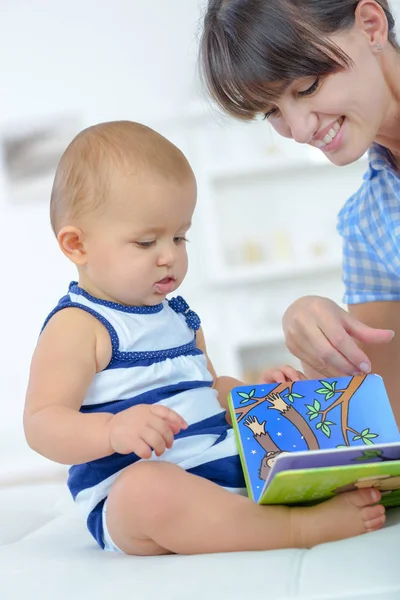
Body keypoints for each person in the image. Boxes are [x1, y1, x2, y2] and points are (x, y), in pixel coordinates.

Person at [23, 120, 385, 556]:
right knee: (147, 491)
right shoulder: (79, 326)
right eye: (145, 242)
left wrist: (256, 395)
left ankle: (281, 504)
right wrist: (113, 430)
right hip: (140, 499)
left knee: (296, 438)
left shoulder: (179, 318)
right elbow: (42, 424)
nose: (169, 256)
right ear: (76, 245)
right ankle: (294, 530)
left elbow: (210, 391)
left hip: (222, 470)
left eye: (179, 236)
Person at [199, 0, 400, 424]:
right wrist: (314, 344)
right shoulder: (367, 224)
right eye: (272, 111)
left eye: (307, 86)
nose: (300, 130)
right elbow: (382, 419)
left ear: (370, 25)